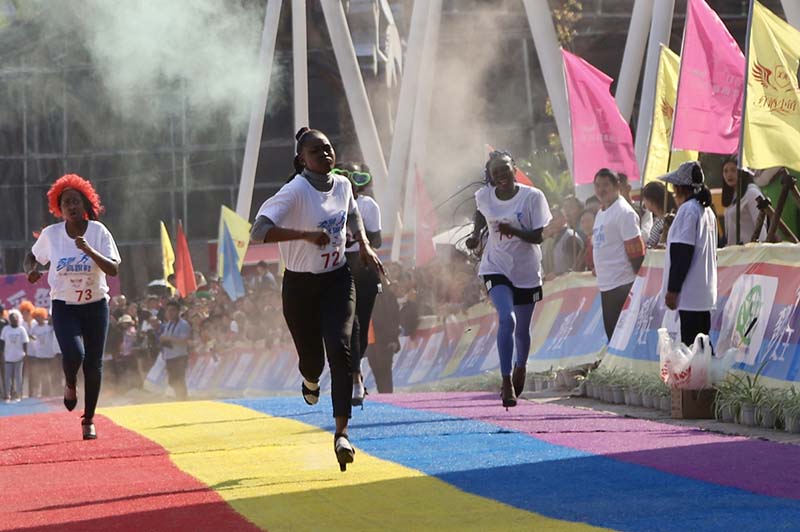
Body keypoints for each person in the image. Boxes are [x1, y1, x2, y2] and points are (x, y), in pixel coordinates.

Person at [250, 127, 385, 471]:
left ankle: (342, 433)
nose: (325, 155)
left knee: (340, 352)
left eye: (328, 149)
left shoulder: (341, 184)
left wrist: (365, 245)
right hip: (299, 288)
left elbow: (352, 211)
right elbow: (258, 231)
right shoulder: (294, 192)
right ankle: (310, 380)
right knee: (313, 360)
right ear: (301, 159)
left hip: (338, 280)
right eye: (315, 151)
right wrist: (305, 235)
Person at [24, 174, 120, 440]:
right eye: (66, 203)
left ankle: (88, 420)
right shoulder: (51, 235)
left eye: (76, 201)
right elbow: (31, 255)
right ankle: (69, 384)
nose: (72, 207)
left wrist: (89, 250)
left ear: (85, 203)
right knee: (74, 354)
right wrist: (31, 270)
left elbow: (112, 269)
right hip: (65, 306)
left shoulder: (99, 232)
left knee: (93, 363)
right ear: (59, 208)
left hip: (96, 306)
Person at [465, 150, 552, 408]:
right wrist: (475, 234)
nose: (501, 174)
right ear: (490, 177)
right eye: (496, 172)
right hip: (495, 267)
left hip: (526, 271)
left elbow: (538, 236)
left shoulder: (533, 197)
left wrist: (512, 229)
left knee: (522, 329)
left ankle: (520, 367)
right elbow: (481, 215)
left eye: (505, 168)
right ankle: (505, 381)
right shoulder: (484, 197)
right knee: (507, 318)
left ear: (514, 168)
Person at [336, 162, 383, 407]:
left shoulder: (367, 205)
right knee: (349, 324)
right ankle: (354, 378)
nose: (350, 181)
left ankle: (358, 372)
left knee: (361, 325)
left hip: (364, 266)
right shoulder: (328, 204)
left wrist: (359, 236)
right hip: (340, 265)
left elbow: (378, 239)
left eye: (355, 177)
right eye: (344, 176)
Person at [659, 161, 718, 348]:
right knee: (702, 344)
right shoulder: (707, 211)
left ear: (679, 188)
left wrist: (673, 289)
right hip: (704, 292)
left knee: (692, 346)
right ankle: (710, 376)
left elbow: (682, 252)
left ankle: (702, 377)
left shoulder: (687, 210)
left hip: (690, 291)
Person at [591, 168, 645, 341]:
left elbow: (636, 252)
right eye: (597, 185)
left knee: (623, 337)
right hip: (606, 284)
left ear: (617, 186)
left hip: (623, 284)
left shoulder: (624, 213)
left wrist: (638, 284)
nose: (601, 190)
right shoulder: (601, 212)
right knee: (612, 335)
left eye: (605, 185)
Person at [721, 157, 766, 246]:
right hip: (734, 253)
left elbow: (761, 226)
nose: (729, 174)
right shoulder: (733, 196)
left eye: (733, 170)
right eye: (725, 171)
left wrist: (760, 248)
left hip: (751, 252)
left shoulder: (752, 193)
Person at [366, 280, 401, 394]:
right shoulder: (364, 293)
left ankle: (388, 400)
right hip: (370, 340)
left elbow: (393, 319)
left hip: (384, 341)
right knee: (377, 373)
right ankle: (384, 398)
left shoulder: (386, 296)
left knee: (384, 373)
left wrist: (393, 339)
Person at [159, 300, 191, 400]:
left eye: (173, 310)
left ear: (178, 311)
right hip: (169, 356)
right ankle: (178, 397)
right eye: (168, 311)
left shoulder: (183, 324)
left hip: (180, 356)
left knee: (179, 379)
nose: (170, 313)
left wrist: (168, 339)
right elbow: (164, 337)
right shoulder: (168, 324)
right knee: (172, 381)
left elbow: (184, 340)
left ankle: (183, 399)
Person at [543, 205, 584, 279]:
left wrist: (558, 275)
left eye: (554, 219)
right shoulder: (548, 241)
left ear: (564, 219)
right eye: (549, 220)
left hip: (571, 283)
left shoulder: (570, 237)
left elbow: (580, 266)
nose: (551, 222)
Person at [28, 307, 57, 398]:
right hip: (39, 354)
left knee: (50, 373)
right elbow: (30, 335)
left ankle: (50, 392)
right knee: (42, 374)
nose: (38, 319)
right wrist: (36, 342)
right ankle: (44, 393)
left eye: (39, 317)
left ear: (43, 316)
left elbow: (55, 325)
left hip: (49, 354)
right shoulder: (34, 327)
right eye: (36, 317)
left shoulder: (49, 326)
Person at [1, 310, 29, 402]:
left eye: (15, 318)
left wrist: (25, 354)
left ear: (18, 319)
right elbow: (2, 342)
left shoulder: (21, 329)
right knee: (7, 377)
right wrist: (2, 354)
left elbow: (25, 343)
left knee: (18, 377)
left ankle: (18, 395)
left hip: (19, 357)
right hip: (8, 357)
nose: (14, 319)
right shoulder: (6, 329)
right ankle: (7, 395)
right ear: (9, 319)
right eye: (12, 318)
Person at [641, 181, 677, 248]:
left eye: (644, 199)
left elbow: (653, 244)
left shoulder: (665, 222)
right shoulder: (659, 220)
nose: (644, 202)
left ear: (651, 200)